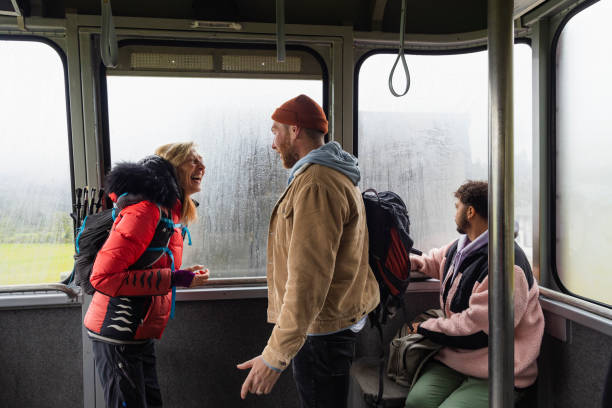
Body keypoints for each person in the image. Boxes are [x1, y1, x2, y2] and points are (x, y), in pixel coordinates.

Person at [237, 94, 380, 407]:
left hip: (322, 334)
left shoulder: (317, 184)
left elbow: (307, 282)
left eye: (276, 131)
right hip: (325, 327)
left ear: (295, 130)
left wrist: (275, 356)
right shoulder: (330, 175)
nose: (273, 144)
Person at [83, 142, 210, 408]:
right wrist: (176, 279)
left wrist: (182, 275)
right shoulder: (146, 211)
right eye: (193, 161)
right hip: (118, 332)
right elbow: (103, 278)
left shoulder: (168, 213)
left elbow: (147, 266)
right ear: (174, 166)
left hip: (138, 332)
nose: (202, 167)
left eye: (202, 161)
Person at [405, 180, 544, 408]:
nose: (454, 213)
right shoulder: (461, 247)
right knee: (417, 402)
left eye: (457, 206)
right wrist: (407, 263)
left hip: (500, 368)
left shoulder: (506, 266)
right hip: (459, 358)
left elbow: (478, 330)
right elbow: (434, 262)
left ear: (470, 212)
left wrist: (424, 327)